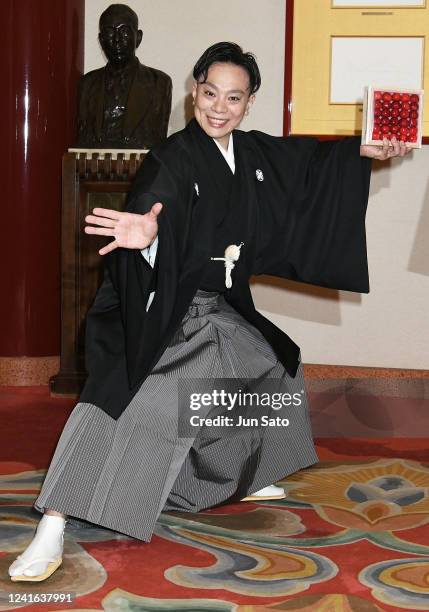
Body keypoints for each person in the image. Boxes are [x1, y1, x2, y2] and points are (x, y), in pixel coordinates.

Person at [9, 42, 411, 583]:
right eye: (209, 92)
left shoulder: (251, 153)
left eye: (234, 97)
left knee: (274, 367)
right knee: (137, 404)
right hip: (164, 311)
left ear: (249, 104)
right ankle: (54, 521)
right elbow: (156, 200)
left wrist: (368, 150)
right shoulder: (173, 157)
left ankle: (232, 478)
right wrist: (148, 235)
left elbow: (314, 165)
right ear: (194, 90)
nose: (218, 107)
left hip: (220, 308)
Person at [76, 3, 172, 149]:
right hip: (93, 169)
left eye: (125, 31)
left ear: (138, 38)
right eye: (110, 32)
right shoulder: (87, 84)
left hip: (145, 169)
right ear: (101, 40)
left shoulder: (159, 83)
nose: (117, 40)